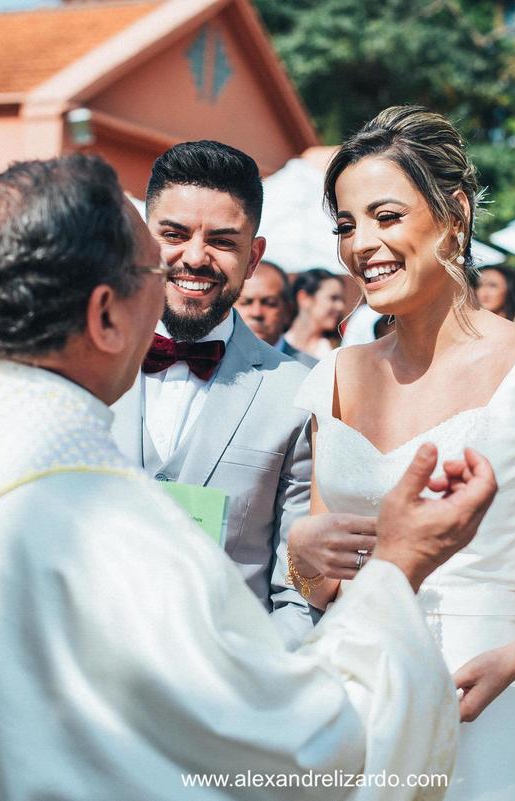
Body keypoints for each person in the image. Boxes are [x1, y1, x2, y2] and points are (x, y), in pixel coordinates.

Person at [0, 154, 499, 801]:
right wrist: (397, 567)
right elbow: (303, 749)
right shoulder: (96, 516)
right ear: (107, 315)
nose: (178, 278)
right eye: (156, 263)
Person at [288, 106, 515, 800]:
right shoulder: (336, 374)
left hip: (472, 687)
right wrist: (302, 554)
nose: (361, 244)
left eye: (385, 216)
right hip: (348, 683)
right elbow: (324, 582)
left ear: (453, 213)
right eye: (345, 224)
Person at [111, 141, 318, 647]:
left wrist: (248, 687)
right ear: (143, 239)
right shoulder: (79, 367)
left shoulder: (298, 394)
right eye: (174, 235)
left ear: (254, 257)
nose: (196, 257)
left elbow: (300, 593)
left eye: (223, 241)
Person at [235, 260, 317, 366]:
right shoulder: (213, 365)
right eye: (246, 302)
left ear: (288, 311)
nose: (256, 313)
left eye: (269, 303)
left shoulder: (311, 371)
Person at [283, 268, 348, 360]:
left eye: (342, 300)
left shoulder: (340, 350)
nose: (340, 306)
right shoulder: (275, 342)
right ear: (304, 298)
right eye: (333, 298)